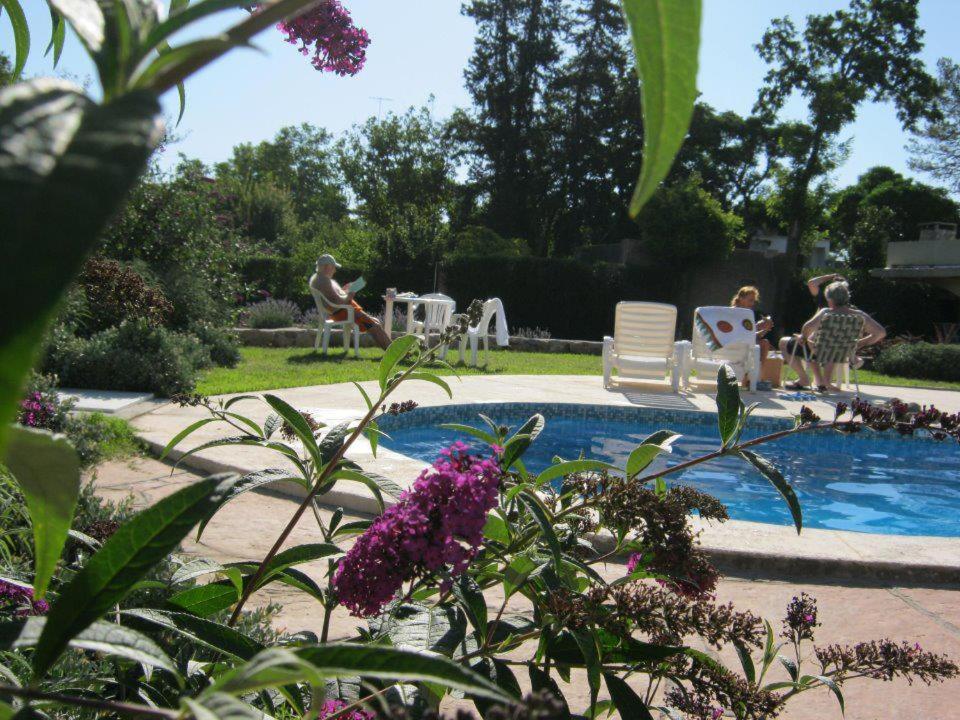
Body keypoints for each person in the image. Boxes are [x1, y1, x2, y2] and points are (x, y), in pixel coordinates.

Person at [779, 281, 886, 392]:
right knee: (817, 340)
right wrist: (859, 343)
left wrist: (803, 337)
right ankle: (824, 382)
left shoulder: (826, 313)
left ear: (830, 300)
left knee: (784, 341)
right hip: (843, 353)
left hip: (818, 351)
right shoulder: (859, 315)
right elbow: (880, 332)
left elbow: (807, 326)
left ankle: (804, 378)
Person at [309, 254, 392, 350]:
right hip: (345, 312)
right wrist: (351, 293)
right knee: (375, 325)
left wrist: (344, 290)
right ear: (327, 267)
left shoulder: (318, 279)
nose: (335, 270)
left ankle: (391, 349)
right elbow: (340, 301)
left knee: (375, 323)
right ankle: (394, 351)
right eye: (333, 268)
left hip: (343, 311)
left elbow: (333, 297)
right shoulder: (324, 281)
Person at [730, 285, 774, 362]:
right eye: (750, 300)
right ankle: (760, 371)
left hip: (744, 343)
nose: (752, 303)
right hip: (735, 344)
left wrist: (765, 329)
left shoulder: (747, 313)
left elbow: (752, 335)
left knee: (765, 343)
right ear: (741, 298)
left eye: (753, 301)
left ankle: (759, 371)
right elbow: (738, 333)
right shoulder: (733, 312)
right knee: (764, 344)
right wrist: (757, 326)